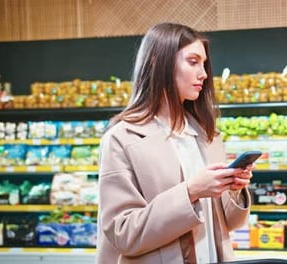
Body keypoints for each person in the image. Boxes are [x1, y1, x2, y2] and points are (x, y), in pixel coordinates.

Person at [96, 22, 253, 264]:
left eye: (204, 64)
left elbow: (227, 226)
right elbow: (123, 233)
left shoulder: (207, 135)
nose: (203, 74)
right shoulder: (122, 139)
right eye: (193, 62)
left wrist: (233, 190)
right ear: (160, 62)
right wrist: (190, 192)